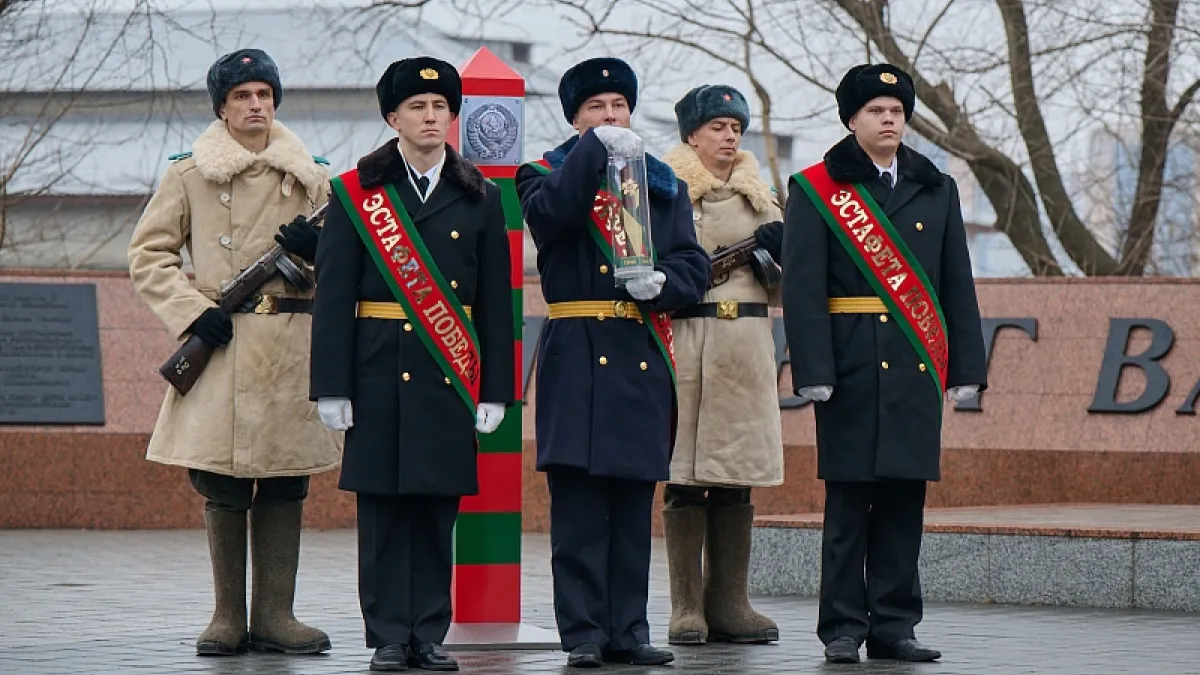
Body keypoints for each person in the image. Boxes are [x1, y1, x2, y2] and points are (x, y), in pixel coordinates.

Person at [128, 48, 339, 657]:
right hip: (220, 341)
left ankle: (276, 613)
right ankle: (226, 616)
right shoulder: (189, 173)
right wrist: (194, 313)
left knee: (283, 482)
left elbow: (350, 268)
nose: (256, 105)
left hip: (289, 349)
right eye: (243, 95)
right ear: (221, 106)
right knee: (220, 479)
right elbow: (149, 256)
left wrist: (317, 252)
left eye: (265, 95)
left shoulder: (313, 176)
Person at [309, 55, 515, 673]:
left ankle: (428, 632)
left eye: (441, 108)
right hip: (375, 371)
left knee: (433, 512)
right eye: (418, 107)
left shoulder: (479, 196)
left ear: (453, 117)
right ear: (392, 117)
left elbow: (497, 306)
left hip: (447, 376)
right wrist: (331, 387)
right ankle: (388, 637)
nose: (431, 117)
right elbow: (334, 296)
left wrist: (496, 390)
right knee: (382, 514)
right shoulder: (356, 193)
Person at [780, 63, 988, 664]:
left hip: (915, 361)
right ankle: (843, 627)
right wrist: (813, 368)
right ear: (852, 120)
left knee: (903, 499)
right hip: (849, 365)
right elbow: (802, 288)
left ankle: (895, 624)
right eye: (876, 111)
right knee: (849, 502)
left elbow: (956, 284)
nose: (889, 119)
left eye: (897, 111)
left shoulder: (935, 186)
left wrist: (965, 368)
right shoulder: (817, 188)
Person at [514, 57, 710, 669]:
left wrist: (665, 282)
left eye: (618, 107)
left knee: (630, 505)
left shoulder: (661, 183)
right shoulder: (541, 174)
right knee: (577, 507)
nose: (610, 116)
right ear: (575, 119)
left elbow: (693, 264)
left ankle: (630, 630)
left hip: (637, 353)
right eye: (596, 109)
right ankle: (583, 635)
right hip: (575, 350)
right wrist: (593, 154)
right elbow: (553, 216)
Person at [659, 84, 784, 647]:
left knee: (736, 477)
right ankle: (686, 606)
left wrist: (780, 253)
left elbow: (785, 285)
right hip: (687, 337)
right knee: (684, 476)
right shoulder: (665, 192)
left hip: (746, 343)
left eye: (736, 127)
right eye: (717, 127)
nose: (730, 135)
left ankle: (730, 601)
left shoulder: (764, 197)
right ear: (692, 135)